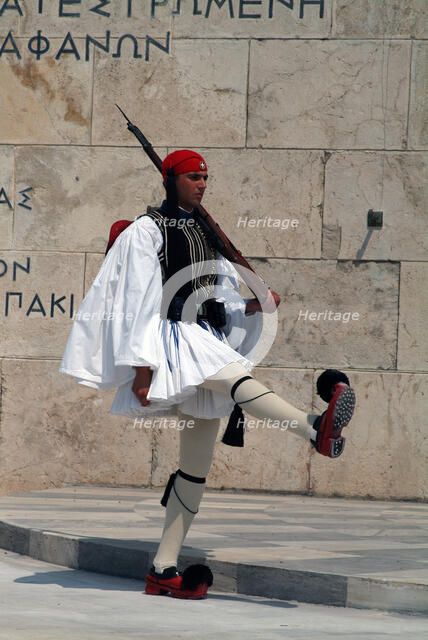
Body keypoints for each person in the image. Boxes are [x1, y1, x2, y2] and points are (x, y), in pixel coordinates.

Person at [60, 149, 356, 600]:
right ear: (171, 178)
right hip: (170, 337)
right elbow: (138, 299)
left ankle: (162, 568)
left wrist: (254, 304)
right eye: (194, 177)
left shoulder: (204, 230)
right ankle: (312, 427)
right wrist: (142, 370)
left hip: (201, 333)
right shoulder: (148, 229)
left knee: (195, 467)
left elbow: (215, 298)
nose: (202, 184)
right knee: (234, 377)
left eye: (205, 177)